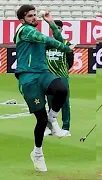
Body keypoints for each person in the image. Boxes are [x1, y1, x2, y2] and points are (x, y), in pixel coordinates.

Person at [14, 5, 75, 172]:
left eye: (35, 15)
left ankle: (53, 118)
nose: (34, 18)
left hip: (43, 73)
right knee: (40, 121)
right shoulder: (25, 31)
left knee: (61, 90)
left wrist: (51, 23)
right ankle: (37, 153)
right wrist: (66, 48)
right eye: (30, 16)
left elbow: (56, 39)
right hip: (28, 77)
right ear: (22, 20)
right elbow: (51, 41)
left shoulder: (37, 36)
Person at [44, 20, 74, 137]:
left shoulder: (66, 43)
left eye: (58, 28)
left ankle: (66, 127)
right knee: (50, 101)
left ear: (61, 29)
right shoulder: (48, 43)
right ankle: (50, 128)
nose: (56, 30)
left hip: (62, 76)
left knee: (65, 102)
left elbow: (70, 60)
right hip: (49, 76)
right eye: (54, 28)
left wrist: (64, 70)